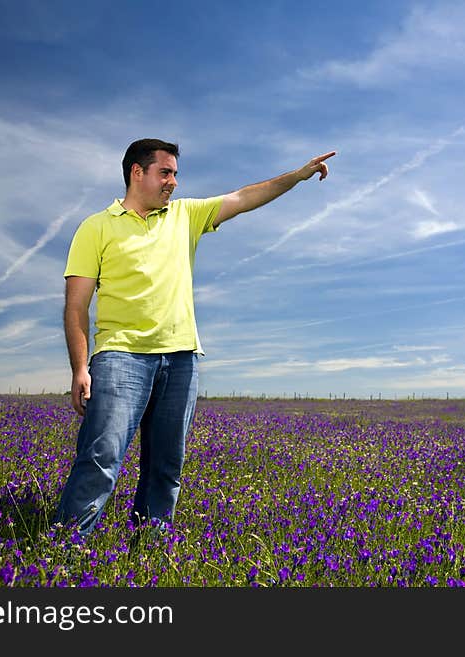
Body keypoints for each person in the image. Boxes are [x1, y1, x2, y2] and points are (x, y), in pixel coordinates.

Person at [53, 138, 335, 536]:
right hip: (120, 357)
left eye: (175, 174)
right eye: (165, 172)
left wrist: (298, 175)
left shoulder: (185, 215)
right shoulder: (96, 227)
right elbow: (76, 306)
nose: (173, 182)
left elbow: (244, 197)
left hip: (182, 358)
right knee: (102, 457)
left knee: (167, 465)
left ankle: (148, 551)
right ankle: (64, 551)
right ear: (137, 172)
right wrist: (80, 367)